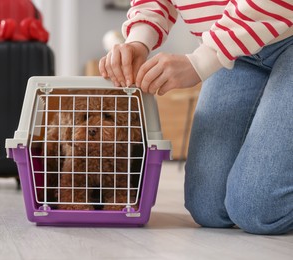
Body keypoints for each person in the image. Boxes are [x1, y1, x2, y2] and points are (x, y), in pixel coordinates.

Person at [99, 0, 293, 235]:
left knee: (259, 211)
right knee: (208, 209)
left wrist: (202, 60)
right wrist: (138, 40)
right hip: (237, 52)